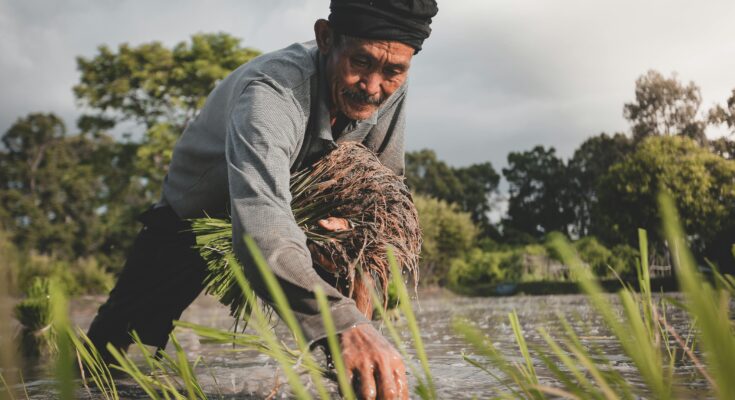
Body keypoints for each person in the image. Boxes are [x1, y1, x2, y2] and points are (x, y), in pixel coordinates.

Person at [86, 0, 438, 398]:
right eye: (360, 61)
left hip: (304, 207)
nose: (374, 87)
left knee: (354, 278)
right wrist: (343, 324)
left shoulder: (390, 83)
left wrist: (356, 238)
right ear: (325, 38)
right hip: (199, 214)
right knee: (121, 342)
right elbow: (262, 230)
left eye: (392, 71)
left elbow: (384, 186)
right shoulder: (272, 93)